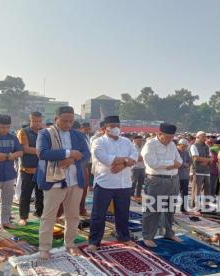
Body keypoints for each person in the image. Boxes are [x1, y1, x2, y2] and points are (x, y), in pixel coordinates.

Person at [36, 106, 90, 260]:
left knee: (73, 215)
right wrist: (69, 153)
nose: (68, 124)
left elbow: (86, 154)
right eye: (64, 121)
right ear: (56, 119)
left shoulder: (78, 135)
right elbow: (42, 153)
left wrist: (72, 159)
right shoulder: (45, 133)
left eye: (71, 121)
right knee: (49, 216)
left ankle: (70, 244)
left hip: (75, 180)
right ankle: (44, 248)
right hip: (54, 181)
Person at [87, 115, 138, 252]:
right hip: (105, 183)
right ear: (104, 128)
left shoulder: (127, 141)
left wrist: (122, 165)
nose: (116, 128)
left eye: (118, 125)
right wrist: (126, 161)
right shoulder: (98, 142)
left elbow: (135, 157)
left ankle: (124, 237)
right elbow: (105, 159)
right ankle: (94, 241)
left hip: (124, 184)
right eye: (113, 125)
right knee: (99, 214)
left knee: (123, 213)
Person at [141, 123, 182, 248]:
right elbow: (152, 163)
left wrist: (169, 164)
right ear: (159, 134)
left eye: (172, 137)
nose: (170, 139)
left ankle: (168, 232)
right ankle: (148, 236)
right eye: (167, 137)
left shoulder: (172, 144)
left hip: (173, 180)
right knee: (153, 209)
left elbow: (179, 161)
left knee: (170, 209)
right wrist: (170, 163)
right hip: (157, 181)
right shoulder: (150, 144)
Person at [17, 112, 43, 225]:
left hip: (42, 169)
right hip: (28, 169)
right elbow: (25, 149)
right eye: (34, 121)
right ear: (30, 121)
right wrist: (43, 152)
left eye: (39, 121)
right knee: (26, 194)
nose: (37, 123)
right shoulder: (23, 132)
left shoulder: (44, 132)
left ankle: (40, 213)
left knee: (41, 193)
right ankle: (23, 217)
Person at [190, 131, 212, 209]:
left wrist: (206, 161)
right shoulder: (194, 146)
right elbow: (196, 158)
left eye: (205, 136)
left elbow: (211, 158)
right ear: (198, 137)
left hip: (206, 171)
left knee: (207, 190)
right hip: (197, 171)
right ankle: (194, 205)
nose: (205, 138)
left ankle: (206, 205)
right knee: (196, 190)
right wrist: (207, 160)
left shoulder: (207, 147)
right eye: (203, 136)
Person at [177, 139, 191, 213]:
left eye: (186, 146)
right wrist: (183, 164)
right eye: (183, 146)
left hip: (185, 175)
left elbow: (189, 161)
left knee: (185, 193)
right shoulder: (176, 151)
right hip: (176, 175)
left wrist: (186, 165)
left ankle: (184, 208)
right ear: (179, 145)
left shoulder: (186, 152)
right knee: (175, 193)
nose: (184, 148)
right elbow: (175, 162)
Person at [131, 135, 146, 200]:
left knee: (140, 183)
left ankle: (138, 195)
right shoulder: (132, 147)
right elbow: (136, 158)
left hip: (142, 167)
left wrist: (142, 158)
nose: (141, 141)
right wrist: (143, 158)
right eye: (139, 140)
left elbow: (145, 157)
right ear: (135, 140)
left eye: (141, 140)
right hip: (135, 167)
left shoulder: (143, 146)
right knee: (133, 182)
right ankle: (131, 194)